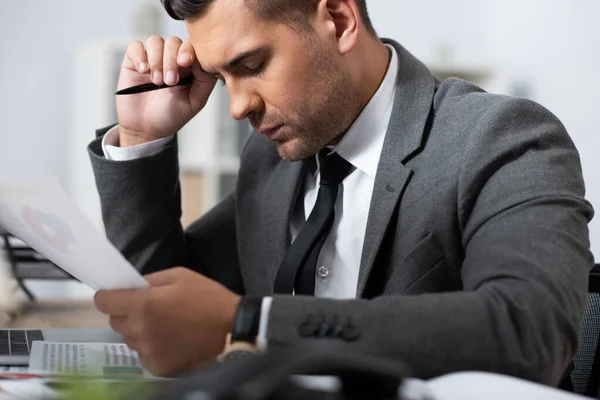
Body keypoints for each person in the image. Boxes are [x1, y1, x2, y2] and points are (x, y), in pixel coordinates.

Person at [88, 0, 594, 386]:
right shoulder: (269, 160)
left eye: (252, 65)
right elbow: (164, 308)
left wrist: (253, 322)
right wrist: (141, 138)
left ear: (338, 18)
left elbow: (530, 331)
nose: (237, 108)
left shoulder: (501, 138)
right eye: (222, 79)